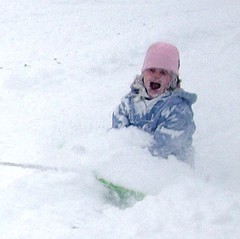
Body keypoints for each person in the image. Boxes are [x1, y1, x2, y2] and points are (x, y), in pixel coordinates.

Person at [112, 42, 197, 165]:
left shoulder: (178, 110)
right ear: (143, 74)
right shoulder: (130, 101)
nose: (156, 76)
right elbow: (118, 131)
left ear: (172, 79)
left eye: (163, 72)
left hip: (170, 167)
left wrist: (134, 159)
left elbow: (164, 146)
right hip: (132, 162)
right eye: (151, 70)